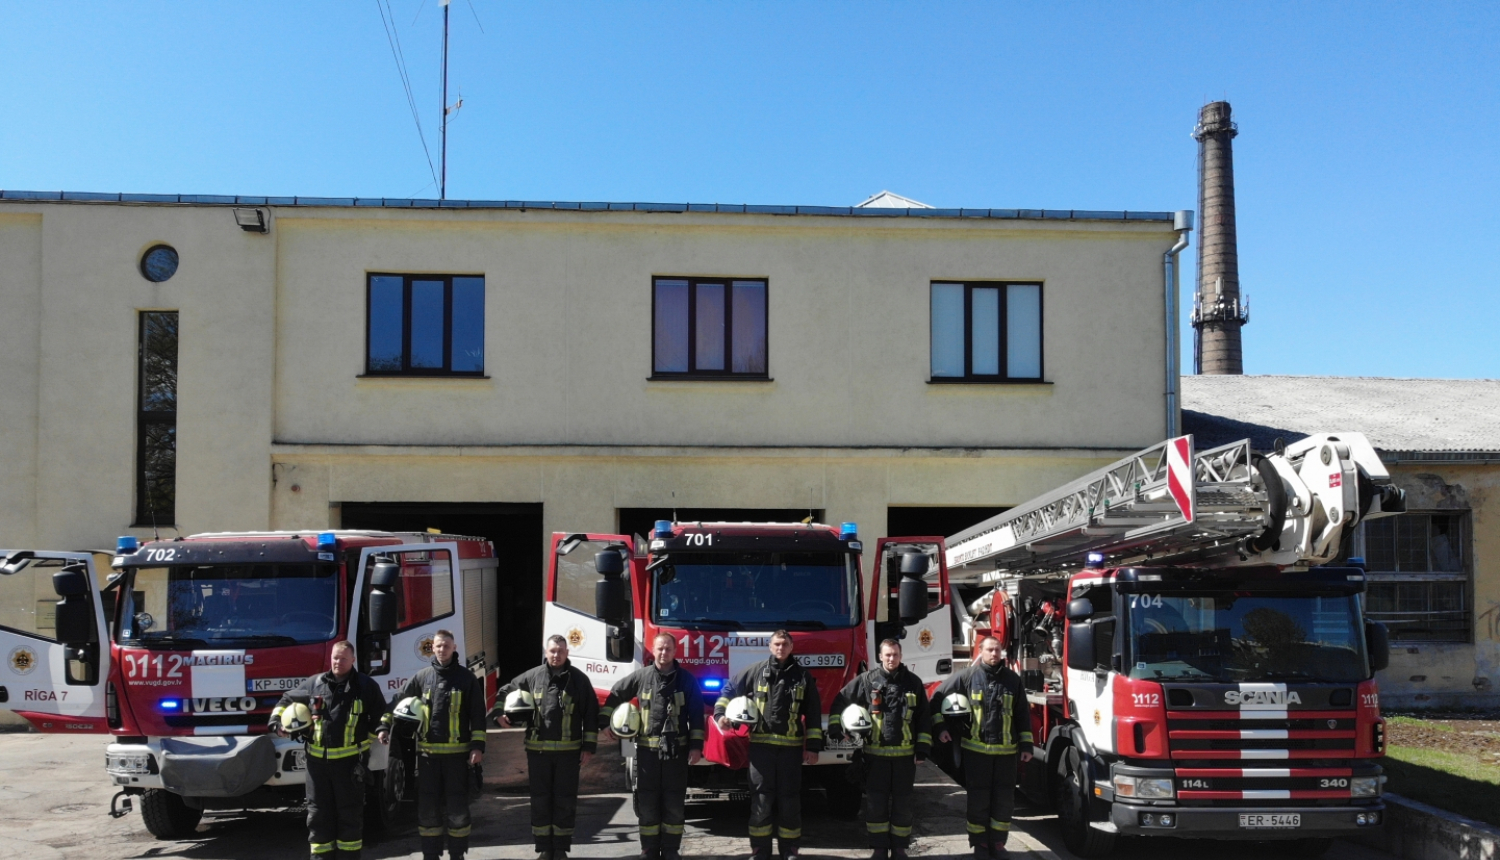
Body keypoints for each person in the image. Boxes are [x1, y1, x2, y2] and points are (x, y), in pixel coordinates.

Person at [270, 640, 390, 860]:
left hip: (350, 766)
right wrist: (276, 722)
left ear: (353, 660)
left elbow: (382, 713)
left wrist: (382, 730)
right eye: (335, 657)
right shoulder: (314, 684)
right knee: (318, 817)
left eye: (343, 658)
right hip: (317, 767)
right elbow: (286, 699)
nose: (338, 662)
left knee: (349, 818)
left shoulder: (365, 686)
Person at [714, 630, 823, 860]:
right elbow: (729, 689)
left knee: (790, 802)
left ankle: (789, 850)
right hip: (761, 751)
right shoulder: (755, 672)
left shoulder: (803, 677)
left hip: (791, 752)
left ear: (791, 646)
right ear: (770, 646)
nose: (780, 648)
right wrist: (720, 713)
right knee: (761, 802)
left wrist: (813, 747)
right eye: (776, 644)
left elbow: (813, 713)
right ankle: (760, 851)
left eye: (784, 644)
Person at [599, 633, 706, 860]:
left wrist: (696, 747)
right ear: (653, 650)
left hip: (676, 755)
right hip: (647, 755)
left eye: (667, 649)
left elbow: (697, 715)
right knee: (647, 805)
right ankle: (648, 850)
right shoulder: (640, 678)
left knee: (674, 806)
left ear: (675, 651)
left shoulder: (687, 680)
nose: (663, 653)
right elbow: (616, 694)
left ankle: (671, 850)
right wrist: (604, 723)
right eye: (659, 649)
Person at [496, 635, 599, 860]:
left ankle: (561, 848)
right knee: (540, 801)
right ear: (546, 652)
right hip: (538, 753)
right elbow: (505, 690)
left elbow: (591, 714)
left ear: (567, 653)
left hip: (568, 754)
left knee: (565, 800)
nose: (556, 655)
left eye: (560, 651)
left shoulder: (579, 680)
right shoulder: (532, 677)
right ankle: (544, 848)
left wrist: (588, 746)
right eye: (552, 651)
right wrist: (499, 712)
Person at [386, 629, 487, 860]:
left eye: (446, 646)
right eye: (438, 646)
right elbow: (398, 701)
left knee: (458, 810)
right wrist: (384, 726)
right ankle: (430, 855)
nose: (442, 650)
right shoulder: (422, 678)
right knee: (428, 810)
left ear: (454, 648)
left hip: (457, 760)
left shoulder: (466, 679)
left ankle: (457, 854)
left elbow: (478, 716)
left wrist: (477, 746)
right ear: (433, 648)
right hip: (428, 759)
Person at [929, 637, 1033, 860]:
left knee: (1004, 800)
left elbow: (1022, 715)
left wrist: (1026, 745)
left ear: (1001, 653)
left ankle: (998, 843)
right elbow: (936, 699)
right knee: (978, 799)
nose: (994, 654)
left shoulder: (1012, 680)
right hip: (976, 754)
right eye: (989, 650)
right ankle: (980, 845)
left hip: (1006, 754)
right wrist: (940, 728)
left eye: (997, 650)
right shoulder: (967, 677)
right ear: (981, 651)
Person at [827, 638, 931, 860]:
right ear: (880, 657)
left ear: (901, 656)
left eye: (895, 654)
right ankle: (879, 849)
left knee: (903, 805)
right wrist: (837, 728)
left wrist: (922, 748)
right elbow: (840, 700)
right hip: (874, 758)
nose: (891, 658)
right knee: (876, 806)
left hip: (905, 759)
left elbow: (924, 718)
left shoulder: (913, 683)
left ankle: (900, 848)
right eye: (887, 655)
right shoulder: (866, 681)